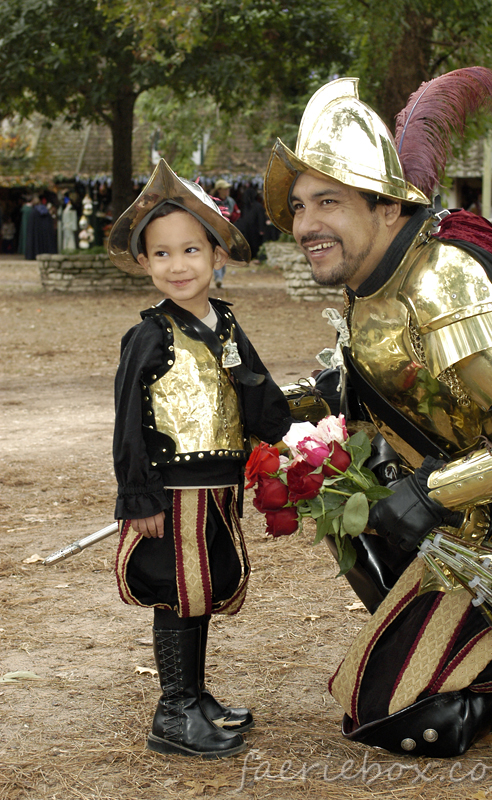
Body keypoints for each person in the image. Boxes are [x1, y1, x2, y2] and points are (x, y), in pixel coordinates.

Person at [263, 72, 492, 757]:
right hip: (471, 530)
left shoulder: (443, 277)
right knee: (344, 486)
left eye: (327, 201)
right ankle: (488, 645)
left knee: (396, 720)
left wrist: (430, 490)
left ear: (387, 209)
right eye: (297, 207)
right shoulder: (375, 279)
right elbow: (373, 391)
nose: (305, 224)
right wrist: (263, 409)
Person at [107, 159, 292, 759]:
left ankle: (196, 694)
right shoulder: (150, 336)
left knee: (203, 588)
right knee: (177, 591)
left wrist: (295, 428)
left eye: (190, 250)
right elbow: (129, 423)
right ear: (144, 263)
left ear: (217, 255)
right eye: (161, 254)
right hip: (173, 492)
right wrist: (138, 497)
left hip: (218, 486)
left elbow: (256, 390)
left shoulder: (226, 323)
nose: (177, 265)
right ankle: (173, 711)